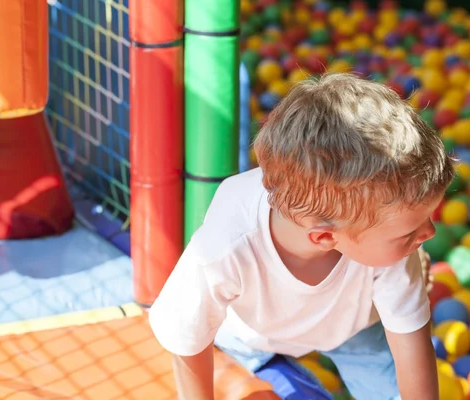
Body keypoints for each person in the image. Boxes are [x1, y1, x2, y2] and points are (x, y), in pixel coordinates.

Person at [149, 72, 454, 400]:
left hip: (353, 329)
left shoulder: (390, 238)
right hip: (249, 334)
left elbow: (410, 342)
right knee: (245, 379)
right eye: (411, 231)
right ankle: (257, 364)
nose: (429, 234)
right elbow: (186, 335)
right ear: (324, 238)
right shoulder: (229, 242)